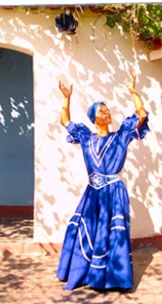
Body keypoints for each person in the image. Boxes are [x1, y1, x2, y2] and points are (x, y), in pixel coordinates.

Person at [56, 71, 149, 291]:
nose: (107, 112)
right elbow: (64, 120)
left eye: (108, 110)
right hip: (92, 191)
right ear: (93, 117)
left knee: (112, 233)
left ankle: (113, 278)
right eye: (102, 110)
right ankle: (81, 273)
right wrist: (67, 98)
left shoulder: (121, 135)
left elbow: (141, 115)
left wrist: (133, 91)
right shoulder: (85, 136)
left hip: (114, 190)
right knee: (84, 228)